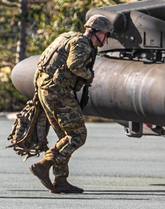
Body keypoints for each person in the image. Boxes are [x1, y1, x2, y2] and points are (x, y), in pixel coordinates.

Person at [29, 14, 114, 194]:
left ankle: (60, 180)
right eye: (106, 35)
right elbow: (74, 65)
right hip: (57, 92)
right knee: (78, 135)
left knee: (64, 137)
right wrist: (89, 76)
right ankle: (44, 165)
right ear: (97, 33)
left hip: (45, 90)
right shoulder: (82, 44)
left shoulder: (66, 36)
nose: (106, 40)